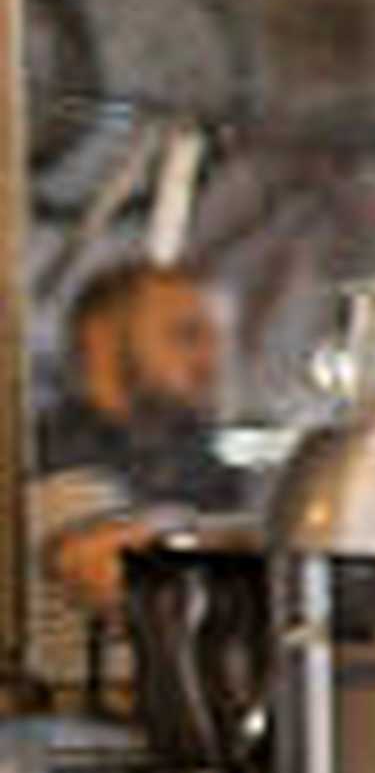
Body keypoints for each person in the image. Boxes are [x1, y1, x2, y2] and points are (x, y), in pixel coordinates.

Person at [25, 256, 245, 697]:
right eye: (186, 336)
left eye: (218, 342)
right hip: (74, 731)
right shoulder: (53, 455)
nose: (210, 362)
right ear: (101, 340)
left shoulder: (204, 467)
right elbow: (108, 575)